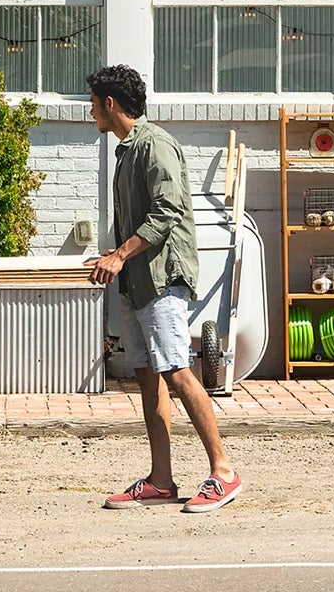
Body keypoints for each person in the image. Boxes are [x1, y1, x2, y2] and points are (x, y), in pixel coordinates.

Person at [83, 65, 242, 513]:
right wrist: (116, 257)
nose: (90, 109)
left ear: (110, 103)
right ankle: (161, 480)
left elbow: (167, 210)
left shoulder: (154, 144)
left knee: (176, 370)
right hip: (138, 280)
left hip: (162, 278)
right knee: (148, 376)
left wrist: (118, 255)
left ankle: (224, 472)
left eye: (93, 101)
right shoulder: (127, 149)